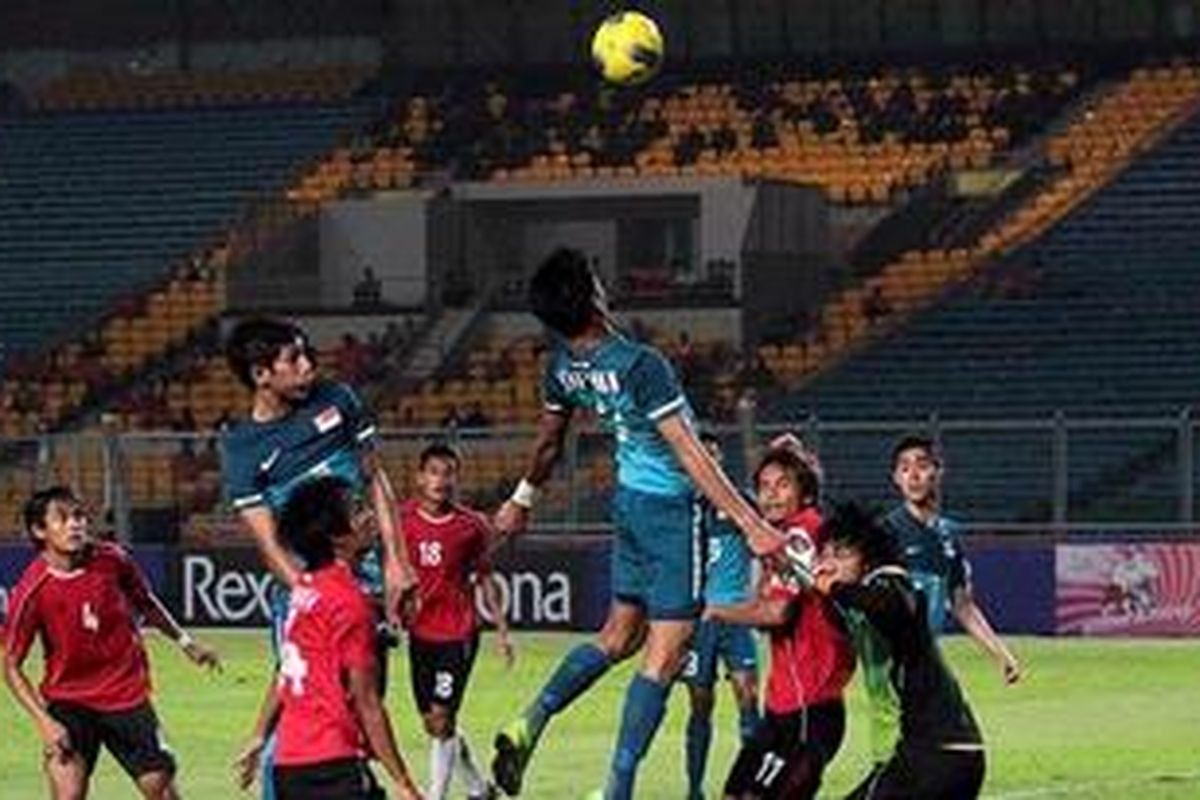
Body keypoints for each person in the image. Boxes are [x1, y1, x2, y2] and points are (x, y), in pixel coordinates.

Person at [489, 249, 785, 800]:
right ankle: (617, 790)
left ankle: (530, 720)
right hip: (672, 513)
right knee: (666, 654)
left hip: (627, 505)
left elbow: (549, 442)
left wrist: (521, 499)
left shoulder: (562, 366)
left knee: (617, 636)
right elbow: (691, 453)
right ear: (594, 295)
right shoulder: (641, 364)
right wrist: (750, 523)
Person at [221, 318, 414, 798]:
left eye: (307, 354)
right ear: (261, 374)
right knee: (303, 706)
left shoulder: (338, 399)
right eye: (294, 359)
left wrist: (396, 561)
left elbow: (375, 478)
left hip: (367, 582)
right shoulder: (243, 450)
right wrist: (316, 595)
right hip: (310, 591)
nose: (309, 366)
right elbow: (269, 543)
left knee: (363, 706)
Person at [3, 486, 220, 800]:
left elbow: (146, 602)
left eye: (79, 516)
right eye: (62, 519)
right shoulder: (32, 589)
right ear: (39, 531)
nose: (75, 525)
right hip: (69, 702)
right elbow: (10, 666)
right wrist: (45, 723)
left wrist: (186, 642)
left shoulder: (112, 559)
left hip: (125, 695)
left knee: (158, 788)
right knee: (68, 793)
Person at [234, 477, 423, 800]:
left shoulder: (305, 591)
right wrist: (403, 781)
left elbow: (287, 670)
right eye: (358, 511)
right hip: (332, 765)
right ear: (337, 536)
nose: (370, 516)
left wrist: (259, 735)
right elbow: (368, 702)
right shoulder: (349, 602)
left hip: (289, 765)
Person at [706, 447, 855, 800]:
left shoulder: (800, 534)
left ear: (803, 493)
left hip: (808, 710)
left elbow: (777, 613)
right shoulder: (789, 536)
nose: (771, 493)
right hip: (782, 707)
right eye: (764, 485)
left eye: (782, 484)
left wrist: (714, 610)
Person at [813, 503, 986, 799]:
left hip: (933, 753)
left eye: (842, 554)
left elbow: (892, 605)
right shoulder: (853, 601)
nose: (830, 564)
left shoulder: (889, 580)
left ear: (868, 558)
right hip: (945, 752)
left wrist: (835, 589)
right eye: (825, 555)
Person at [400, 444, 510, 800]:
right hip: (420, 632)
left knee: (443, 717)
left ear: (456, 479)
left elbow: (486, 577)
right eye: (433, 472)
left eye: (448, 473)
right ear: (420, 477)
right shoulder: (403, 521)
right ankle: (479, 787)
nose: (440, 480)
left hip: (458, 633)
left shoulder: (471, 525)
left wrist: (502, 631)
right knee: (435, 724)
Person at [883, 434, 1020, 682]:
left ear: (938, 472)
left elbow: (963, 606)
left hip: (927, 660)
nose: (913, 475)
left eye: (922, 466)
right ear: (896, 479)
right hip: (894, 666)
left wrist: (1001, 654)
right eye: (904, 468)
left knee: (956, 718)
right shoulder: (886, 532)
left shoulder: (947, 534)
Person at [680, 432, 761, 800]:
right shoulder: (683, 509)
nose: (707, 462)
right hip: (700, 624)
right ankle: (695, 789)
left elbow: (764, 549)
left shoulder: (743, 504)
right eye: (701, 455)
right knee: (701, 704)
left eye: (713, 456)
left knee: (747, 697)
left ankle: (751, 785)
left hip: (739, 618)